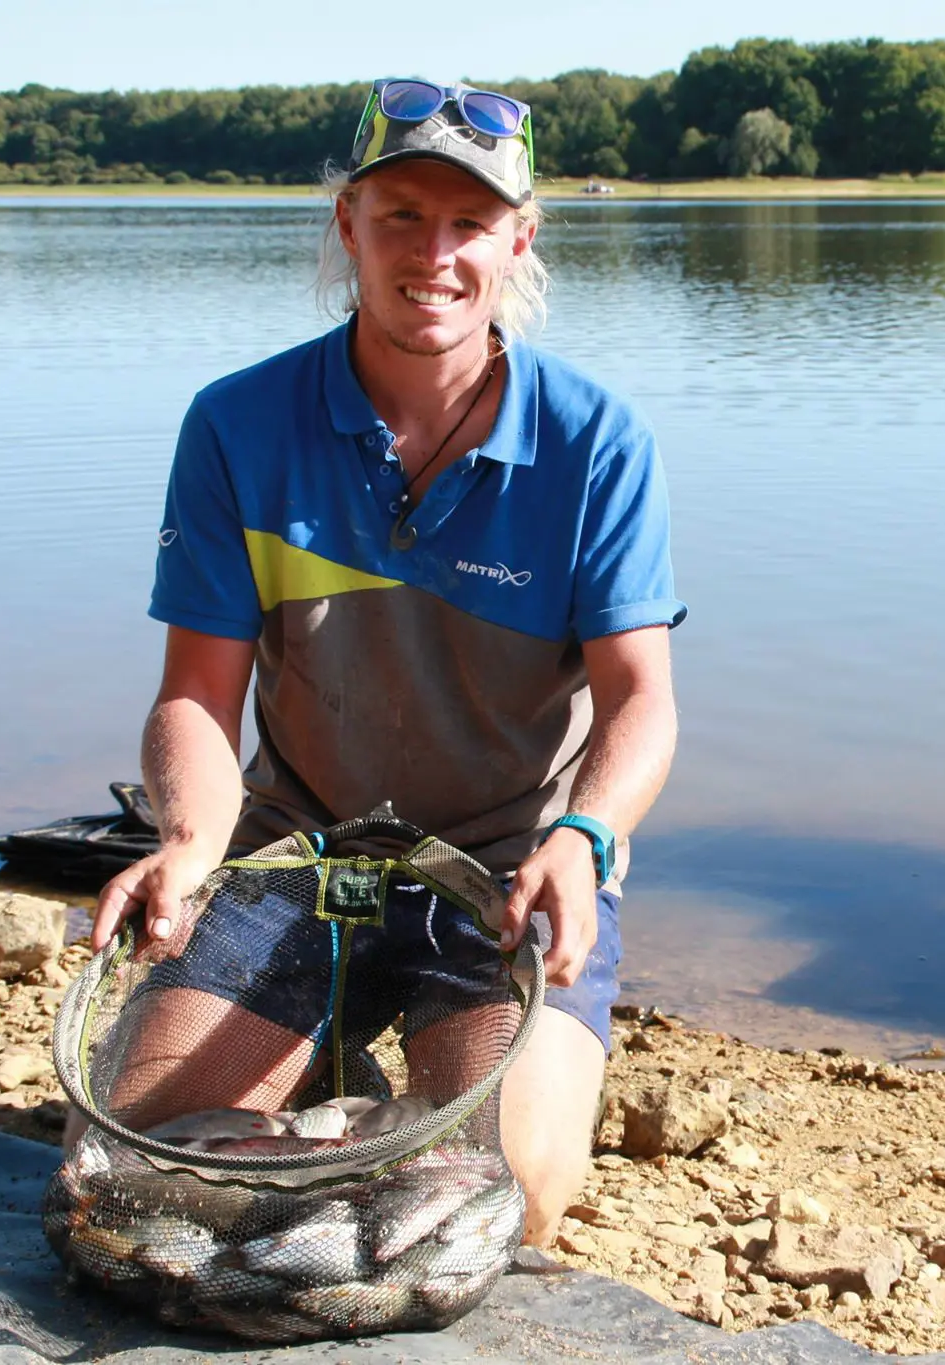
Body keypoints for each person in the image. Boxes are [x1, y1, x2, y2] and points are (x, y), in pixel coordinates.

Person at [86, 77, 683, 1246]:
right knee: (142, 1163)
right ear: (346, 224)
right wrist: (190, 843)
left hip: (510, 872)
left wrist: (587, 836)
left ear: (518, 237)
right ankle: (324, 1072)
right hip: (299, 852)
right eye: (402, 214)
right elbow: (196, 696)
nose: (436, 253)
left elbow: (640, 703)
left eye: (469, 223)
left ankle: (354, 1093)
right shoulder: (235, 423)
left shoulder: (597, 440)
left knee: (508, 1199)